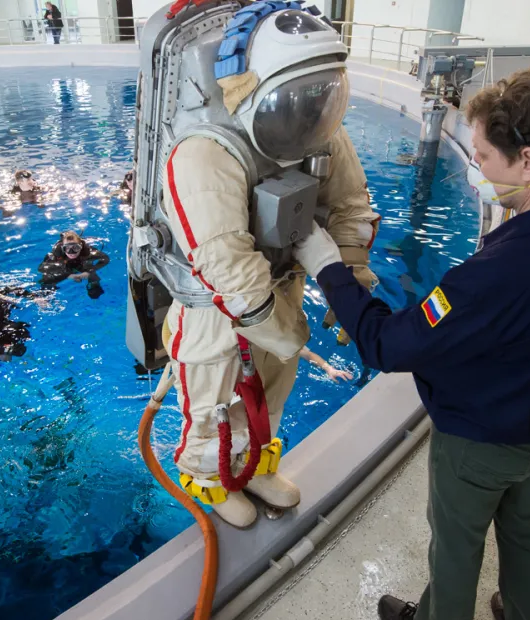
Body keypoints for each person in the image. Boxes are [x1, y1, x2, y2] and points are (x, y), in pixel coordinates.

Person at [293, 66, 530, 620]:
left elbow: (387, 344)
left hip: (483, 440)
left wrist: (327, 267)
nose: (478, 170)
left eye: (486, 157)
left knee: (457, 541)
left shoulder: (496, 276)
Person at [124, 0, 379, 528]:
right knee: (215, 407)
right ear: (255, 87)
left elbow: (351, 202)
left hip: (279, 293)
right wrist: (282, 330)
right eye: (297, 100)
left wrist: (349, 274)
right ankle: (210, 481)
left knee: (273, 392)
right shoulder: (203, 151)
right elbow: (226, 264)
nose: (308, 115)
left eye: (318, 98)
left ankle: (257, 466)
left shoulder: (317, 126)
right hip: (215, 314)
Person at [38, 230, 109, 298]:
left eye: (75, 247)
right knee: (49, 277)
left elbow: (105, 259)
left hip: (82, 263)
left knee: (92, 274)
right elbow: (42, 269)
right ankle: (43, 296)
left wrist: (89, 271)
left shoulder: (88, 252)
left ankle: (94, 286)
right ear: (63, 248)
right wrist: (67, 275)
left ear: (80, 246)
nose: (71, 252)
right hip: (64, 266)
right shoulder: (56, 254)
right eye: (67, 248)